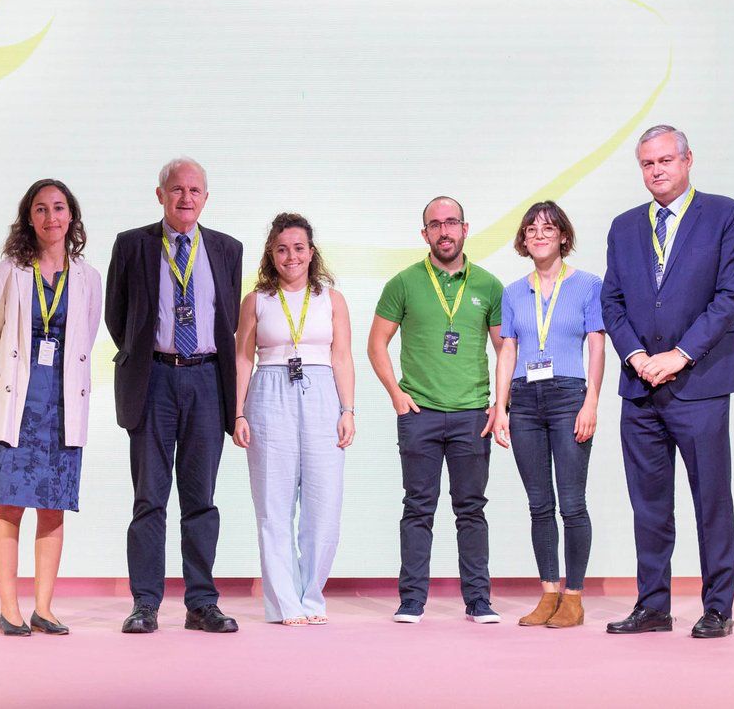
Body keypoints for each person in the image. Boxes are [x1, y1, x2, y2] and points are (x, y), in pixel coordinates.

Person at [601, 125, 734, 639]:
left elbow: (730, 296)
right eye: (647, 163)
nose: (657, 170)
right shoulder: (624, 226)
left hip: (700, 383)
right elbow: (612, 302)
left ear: (688, 160)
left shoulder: (725, 214)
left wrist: (679, 355)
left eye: (666, 160)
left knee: (711, 501)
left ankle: (718, 608)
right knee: (648, 505)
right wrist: (638, 355)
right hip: (640, 386)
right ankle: (653, 607)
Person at [105, 157, 243, 634]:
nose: (186, 198)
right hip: (154, 379)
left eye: (195, 190)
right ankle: (145, 604)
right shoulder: (132, 244)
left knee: (201, 499)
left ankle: (202, 603)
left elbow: (228, 320)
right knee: (149, 499)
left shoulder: (227, 249)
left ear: (206, 198)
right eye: (177, 189)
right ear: (160, 195)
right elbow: (117, 316)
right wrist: (152, 355)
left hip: (207, 381)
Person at [368, 196, 505, 625]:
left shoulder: (488, 285)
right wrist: (396, 394)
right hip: (420, 414)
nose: (444, 231)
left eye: (451, 223)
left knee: (471, 510)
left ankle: (479, 601)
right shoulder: (403, 283)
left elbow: (506, 349)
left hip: (472, 414)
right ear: (424, 233)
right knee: (417, 508)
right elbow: (376, 343)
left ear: (465, 228)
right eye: (435, 225)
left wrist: (501, 404)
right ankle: (411, 600)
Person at [0, 178, 103, 636]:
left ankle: (44, 608)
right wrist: (2, 386)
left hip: (61, 407)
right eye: (42, 209)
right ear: (29, 218)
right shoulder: (6, 273)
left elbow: (85, 338)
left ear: (72, 216)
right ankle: (9, 609)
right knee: (9, 505)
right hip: (18, 406)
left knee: (53, 508)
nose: (52, 217)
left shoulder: (88, 277)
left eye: (59, 207)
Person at [232, 213, 355, 625]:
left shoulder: (332, 300)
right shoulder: (256, 300)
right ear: (272, 253)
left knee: (324, 507)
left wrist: (348, 410)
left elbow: (342, 357)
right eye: (282, 249)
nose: (291, 257)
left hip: (322, 395)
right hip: (269, 395)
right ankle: (284, 603)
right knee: (273, 505)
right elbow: (243, 358)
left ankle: (311, 598)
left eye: (299, 248)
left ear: (312, 252)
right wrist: (238, 412)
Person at [490, 201, 605, 628]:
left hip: (568, 396)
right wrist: (501, 406)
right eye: (531, 229)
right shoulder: (512, 292)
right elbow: (508, 351)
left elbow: (596, 345)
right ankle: (549, 593)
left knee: (572, 504)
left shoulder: (588, 284)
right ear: (523, 239)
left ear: (563, 236)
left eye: (548, 228)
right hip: (524, 399)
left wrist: (591, 401)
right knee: (539, 504)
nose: (539, 235)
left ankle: (573, 598)